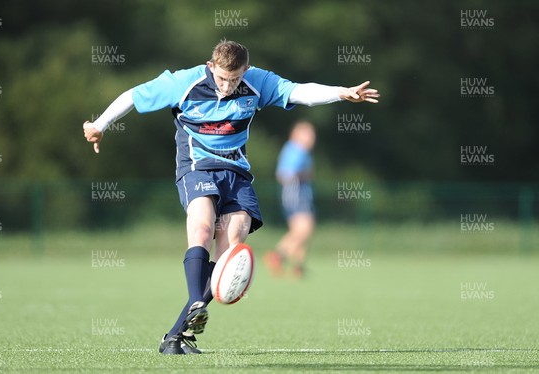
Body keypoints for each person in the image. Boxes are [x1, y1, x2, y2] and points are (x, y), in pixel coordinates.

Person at [83, 40, 380, 355]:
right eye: (222, 78)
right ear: (211, 67)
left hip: (236, 175)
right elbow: (133, 95)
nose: (227, 86)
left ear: (245, 71)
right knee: (202, 228)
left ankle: (176, 336)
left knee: (231, 250)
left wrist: (341, 92)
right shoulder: (184, 82)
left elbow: (298, 92)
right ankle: (196, 302)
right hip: (197, 168)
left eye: (235, 79)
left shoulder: (257, 82)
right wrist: (100, 125)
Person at [264, 121, 316, 278]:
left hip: (300, 193)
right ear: (296, 135)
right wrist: (302, 176)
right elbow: (285, 174)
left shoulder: (299, 150)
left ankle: (297, 266)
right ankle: (277, 256)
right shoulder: (295, 150)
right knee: (305, 229)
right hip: (295, 193)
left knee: (299, 230)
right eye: (307, 134)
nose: (311, 139)